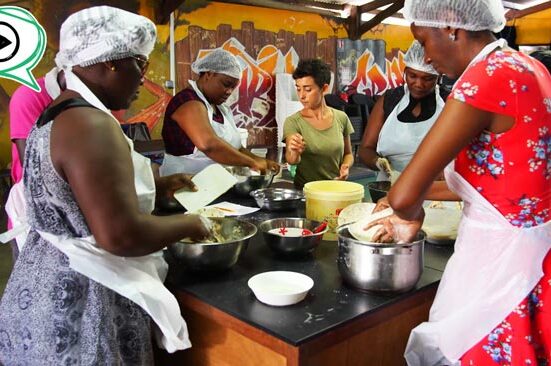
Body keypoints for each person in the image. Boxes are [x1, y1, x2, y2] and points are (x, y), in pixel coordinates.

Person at [0, 6, 212, 365]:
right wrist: (195, 223)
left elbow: (73, 196)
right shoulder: (91, 125)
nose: (143, 80)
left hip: (39, 285)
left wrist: (159, 190)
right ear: (112, 62)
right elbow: (121, 236)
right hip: (83, 301)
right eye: (140, 65)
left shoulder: (57, 113)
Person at [368, 0, 551, 365]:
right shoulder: (531, 67)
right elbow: (500, 183)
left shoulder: (484, 78)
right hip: (537, 257)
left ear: (452, 25)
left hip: (499, 265)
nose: (427, 57)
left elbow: (403, 194)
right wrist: (405, 202)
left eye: (424, 40)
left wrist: (408, 211)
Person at [159, 48, 280, 176]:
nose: (229, 91)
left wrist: (261, 161)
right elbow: (209, 145)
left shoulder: (221, 108)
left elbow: (236, 148)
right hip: (185, 186)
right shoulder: (188, 101)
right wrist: (252, 163)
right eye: (226, 84)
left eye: (233, 87)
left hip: (214, 184)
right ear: (208, 74)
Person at [358, 40, 445, 182]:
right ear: (405, 72)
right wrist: (378, 162)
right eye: (412, 76)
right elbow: (365, 149)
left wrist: (448, 169)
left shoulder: (449, 101)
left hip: (436, 188)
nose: (419, 84)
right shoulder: (390, 99)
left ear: (438, 77)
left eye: (427, 79)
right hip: (391, 184)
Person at [284, 58, 355, 188]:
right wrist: (294, 152)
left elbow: (348, 154)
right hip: (306, 193)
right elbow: (291, 159)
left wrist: (346, 166)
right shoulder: (293, 122)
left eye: (307, 89)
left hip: (336, 189)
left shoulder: (341, 118)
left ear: (324, 88)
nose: (302, 96)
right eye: (298, 89)